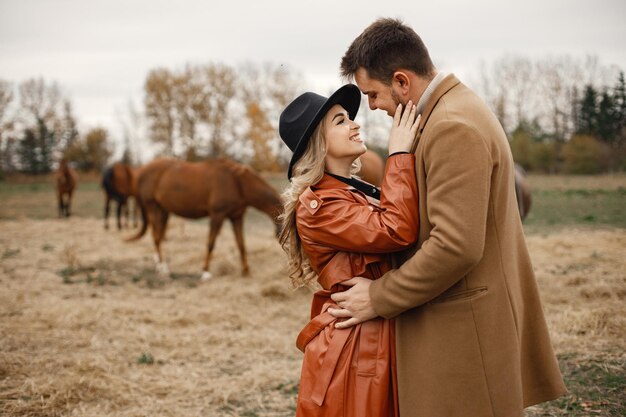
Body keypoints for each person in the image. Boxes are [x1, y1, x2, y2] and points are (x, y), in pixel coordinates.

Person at [326, 18, 568, 417]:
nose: (372, 108)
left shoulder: (451, 127)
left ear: (402, 82)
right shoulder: (449, 112)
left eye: (373, 94)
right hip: (461, 325)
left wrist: (378, 296)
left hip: (464, 334)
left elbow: (456, 245)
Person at [278, 84, 421, 416]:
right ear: (320, 143)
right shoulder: (318, 206)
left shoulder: (354, 191)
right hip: (356, 345)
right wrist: (399, 154)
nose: (355, 124)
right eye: (340, 121)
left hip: (375, 329)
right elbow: (396, 230)